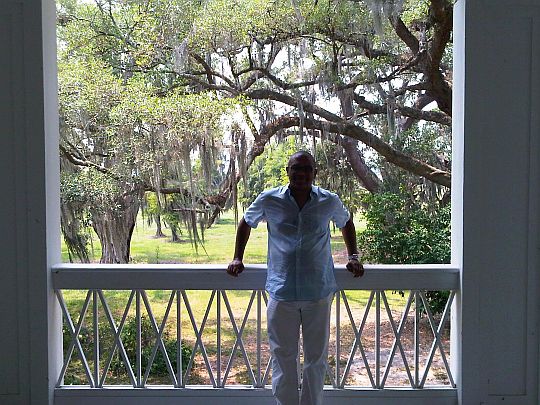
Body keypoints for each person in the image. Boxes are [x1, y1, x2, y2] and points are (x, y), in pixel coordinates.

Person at [227, 150, 364, 405]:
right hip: (282, 292)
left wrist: (353, 256)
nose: (300, 173)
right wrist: (238, 257)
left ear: (315, 172)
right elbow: (246, 221)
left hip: (318, 293)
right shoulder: (269, 199)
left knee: (316, 359)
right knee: (283, 357)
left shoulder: (328, 200)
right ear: (288, 171)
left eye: (306, 169)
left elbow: (346, 223)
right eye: (295, 168)